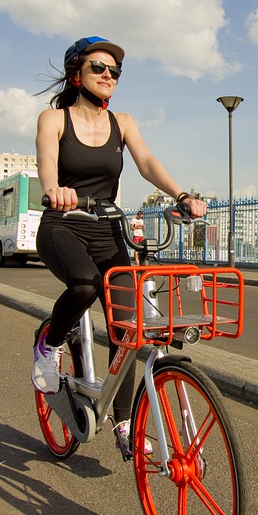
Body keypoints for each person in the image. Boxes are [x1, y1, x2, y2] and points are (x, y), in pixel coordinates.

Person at [32, 36, 206, 459]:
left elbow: (147, 162)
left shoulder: (123, 123)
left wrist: (182, 195)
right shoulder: (54, 119)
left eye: (115, 71)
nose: (109, 76)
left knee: (128, 326)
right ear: (77, 73)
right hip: (64, 223)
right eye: (99, 68)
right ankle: (49, 346)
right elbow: (46, 162)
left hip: (108, 228)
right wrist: (56, 191)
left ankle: (125, 421)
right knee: (85, 285)